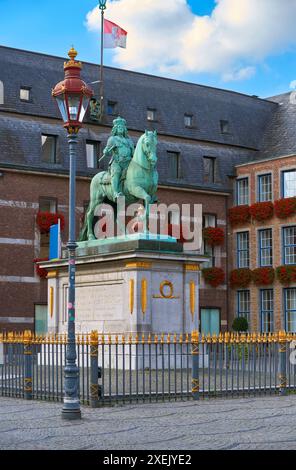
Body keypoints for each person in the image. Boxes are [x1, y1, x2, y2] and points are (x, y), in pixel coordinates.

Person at [100, 116, 134, 199]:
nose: (120, 128)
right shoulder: (112, 139)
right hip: (117, 162)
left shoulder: (129, 141)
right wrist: (106, 151)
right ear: (115, 128)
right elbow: (107, 150)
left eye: (122, 127)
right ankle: (115, 192)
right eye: (119, 127)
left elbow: (133, 153)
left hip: (128, 163)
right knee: (117, 172)